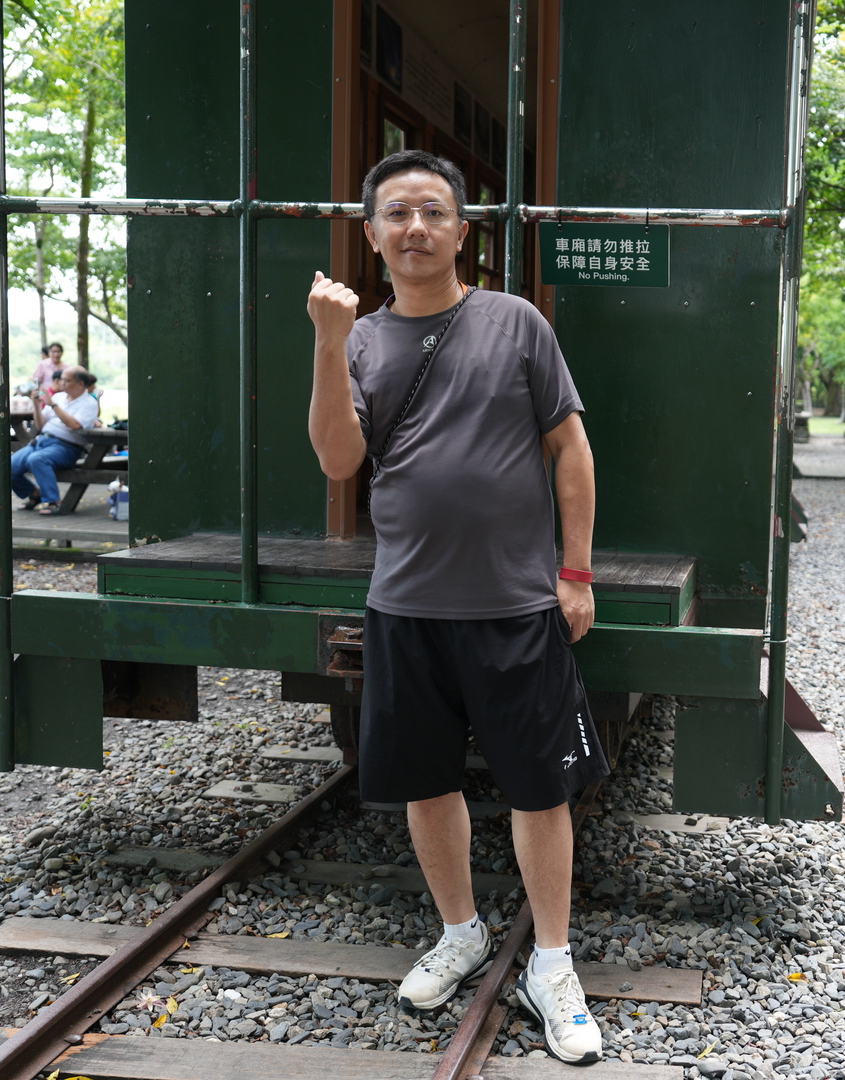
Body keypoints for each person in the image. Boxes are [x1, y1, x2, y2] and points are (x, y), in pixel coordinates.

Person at [303, 149, 605, 1064]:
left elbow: (571, 448)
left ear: (462, 230)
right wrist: (327, 341)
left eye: (433, 212)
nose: (416, 228)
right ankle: (461, 932)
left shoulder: (516, 323)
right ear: (372, 235)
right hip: (406, 605)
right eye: (397, 214)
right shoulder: (360, 340)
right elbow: (338, 460)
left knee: (539, 787)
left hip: (514, 603)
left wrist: (576, 572)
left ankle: (552, 964)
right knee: (426, 782)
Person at [10, 366, 99, 515]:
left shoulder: (89, 403)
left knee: (37, 459)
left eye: (67, 380)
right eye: (61, 380)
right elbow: (40, 425)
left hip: (67, 446)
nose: (62, 383)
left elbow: (74, 425)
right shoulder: (58, 397)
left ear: (80, 384)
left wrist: (53, 405)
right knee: (8, 466)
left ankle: (54, 501)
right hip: (42, 440)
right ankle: (34, 493)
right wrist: (37, 405)